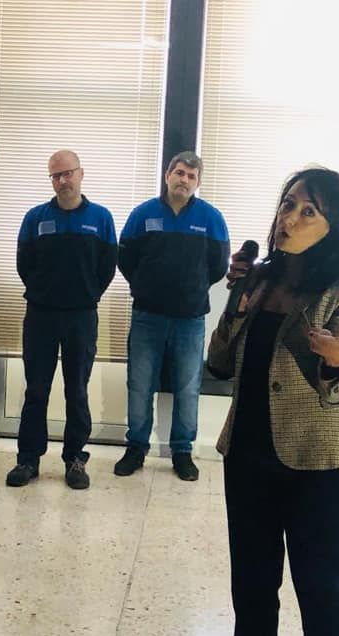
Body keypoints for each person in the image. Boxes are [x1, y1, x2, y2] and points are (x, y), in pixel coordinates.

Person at [206, 167, 339, 636]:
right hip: (247, 456)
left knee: (319, 596)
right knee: (253, 593)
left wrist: (335, 359)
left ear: (333, 225)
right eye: (288, 205)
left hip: (317, 465)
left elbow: (338, 386)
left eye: (309, 211)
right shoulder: (256, 279)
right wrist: (238, 303)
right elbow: (219, 362)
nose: (291, 219)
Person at [5, 150, 116, 490]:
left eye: (68, 173)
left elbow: (107, 268)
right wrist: (46, 292)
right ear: (51, 180)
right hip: (41, 315)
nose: (63, 180)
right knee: (36, 389)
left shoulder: (101, 218)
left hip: (81, 316)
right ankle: (28, 459)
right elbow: (24, 265)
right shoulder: (35, 218)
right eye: (56, 175)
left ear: (81, 174)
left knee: (76, 390)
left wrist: (85, 294)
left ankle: (75, 459)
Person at [115, 150, 229, 481]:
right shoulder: (143, 214)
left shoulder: (211, 218)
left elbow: (217, 267)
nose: (184, 180)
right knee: (140, 384)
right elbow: (125, 259)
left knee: (188, 386)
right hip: (147, 316)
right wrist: (146, 287)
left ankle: (182, 451)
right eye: (179, 173)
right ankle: (136, 447)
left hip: (190, 319)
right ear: (167, 175)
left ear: (197, 183)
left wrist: (191, 288)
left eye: (191, 176)